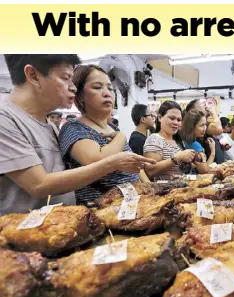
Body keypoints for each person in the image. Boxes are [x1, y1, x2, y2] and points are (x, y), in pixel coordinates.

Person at [0, 54, 153, 215]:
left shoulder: (49, 125)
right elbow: (39, 184)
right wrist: (112, 162)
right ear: (33, 75)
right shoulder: (5, 118)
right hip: (26, 233)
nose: (73, 87)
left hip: (63, 225)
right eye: (65, 78)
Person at [59, 64, 149, 206]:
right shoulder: (74, 128)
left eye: (110, 88)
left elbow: (136, 166)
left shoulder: (112, 127)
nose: (107, 93)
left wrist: (149, 188)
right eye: (97, 87)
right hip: (101, 213)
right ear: (80, 94)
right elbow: (97, 162)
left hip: (132, 205)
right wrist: (121, 137)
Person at [143, 101, 196, 180]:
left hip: (182, 188)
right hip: (165, 190)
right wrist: (177, 157)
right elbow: (150, 171)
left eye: (179, 120)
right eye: (172, 118)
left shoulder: (177, 141)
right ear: (160, 117)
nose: (176, 123)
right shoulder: (154, 139)